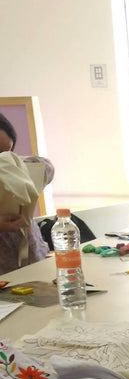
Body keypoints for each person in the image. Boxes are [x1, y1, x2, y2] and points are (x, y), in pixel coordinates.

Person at [0, 113, 54, 275]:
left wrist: (13, 165)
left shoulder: (15, 169)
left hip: (34, 263)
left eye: (7, 152)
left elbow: (47, 169)